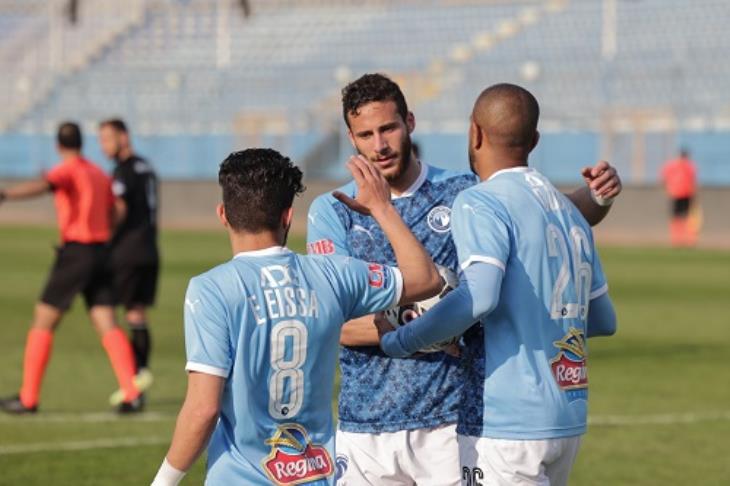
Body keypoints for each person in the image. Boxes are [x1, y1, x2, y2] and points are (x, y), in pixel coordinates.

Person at [306, 73, 621, 485]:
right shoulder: (333, 210)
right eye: (366, 134)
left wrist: (595, 196)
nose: (379, 145)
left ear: (410, 123)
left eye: (388, 128)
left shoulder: (465, 190)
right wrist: (413, 321)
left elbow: (538, 216)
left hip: (450, 422)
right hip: (365, 422)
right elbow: (333, 320)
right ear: (351, 138)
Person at [150, 148, 443, 485]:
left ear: (223, 215)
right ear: (288, 217)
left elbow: (203, 409)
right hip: (315, 475)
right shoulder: (333, 274)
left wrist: (163, 482)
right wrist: (382, 207)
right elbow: (426, 279)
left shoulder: (212, 289)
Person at [0, 122, 142, 414]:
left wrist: (7, 195)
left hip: (76, 252)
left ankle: (28, 398)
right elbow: (118, 209)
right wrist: (107, 230)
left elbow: (45, 184)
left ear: (58, 146)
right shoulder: (99, 173)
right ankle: (131, 391)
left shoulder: (69, 169)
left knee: (43, 319)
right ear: (82, 142)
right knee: (106, 320)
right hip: (101, 252)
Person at [98, 118, 159, 406]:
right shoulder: (147, 167)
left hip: (128, 250)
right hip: (149, 248)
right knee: (137, 315)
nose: (103, 145)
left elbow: (120, 208)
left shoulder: (122, 171)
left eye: (108, 138)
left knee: (111, 315)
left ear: (124, 136)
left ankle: (132, 382)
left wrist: (105, 234)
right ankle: (140, 379)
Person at [660, 148, 698, 247]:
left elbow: (664, 177)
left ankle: (679, 239)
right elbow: (693, 180)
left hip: (677, 194)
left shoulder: (672, 165)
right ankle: (683, 239)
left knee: (678, 217)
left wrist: (668, 188)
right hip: (684, 194)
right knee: (683, 217)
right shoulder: (689, 166)